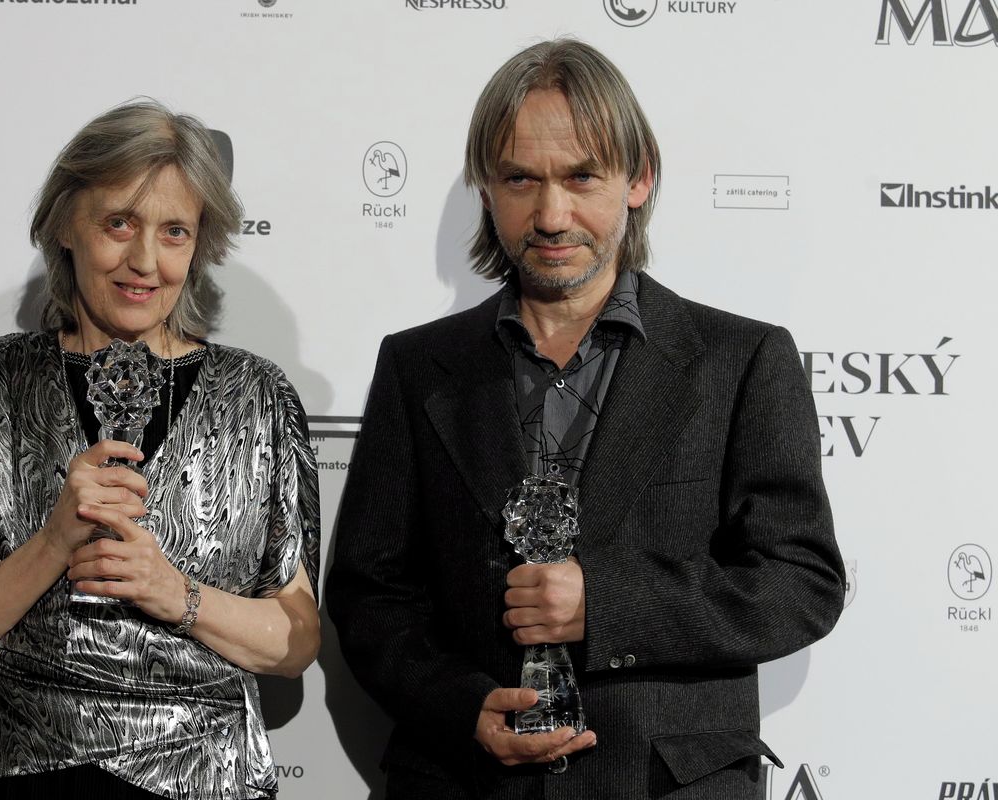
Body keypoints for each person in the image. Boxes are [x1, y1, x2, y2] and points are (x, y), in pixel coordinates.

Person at [326, 38, 844, 799]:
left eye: (580, 177)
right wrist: (461, 706)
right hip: (465, 783)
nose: (551, 215)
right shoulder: (417, 365)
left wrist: (606, 604)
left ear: (639, 179)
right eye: (520, 179)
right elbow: (369, 595)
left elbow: (801, 583)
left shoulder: (742, 361)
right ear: (487, 190)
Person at [0, 100, 320, 800]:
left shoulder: (259, 398)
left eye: (174, 232)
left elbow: (297, 641)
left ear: (199, 246)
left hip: (206, 779)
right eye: (119, 224)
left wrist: (175, 593)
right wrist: (52, 543)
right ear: (67, 224)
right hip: (18, 769)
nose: (145, 261)